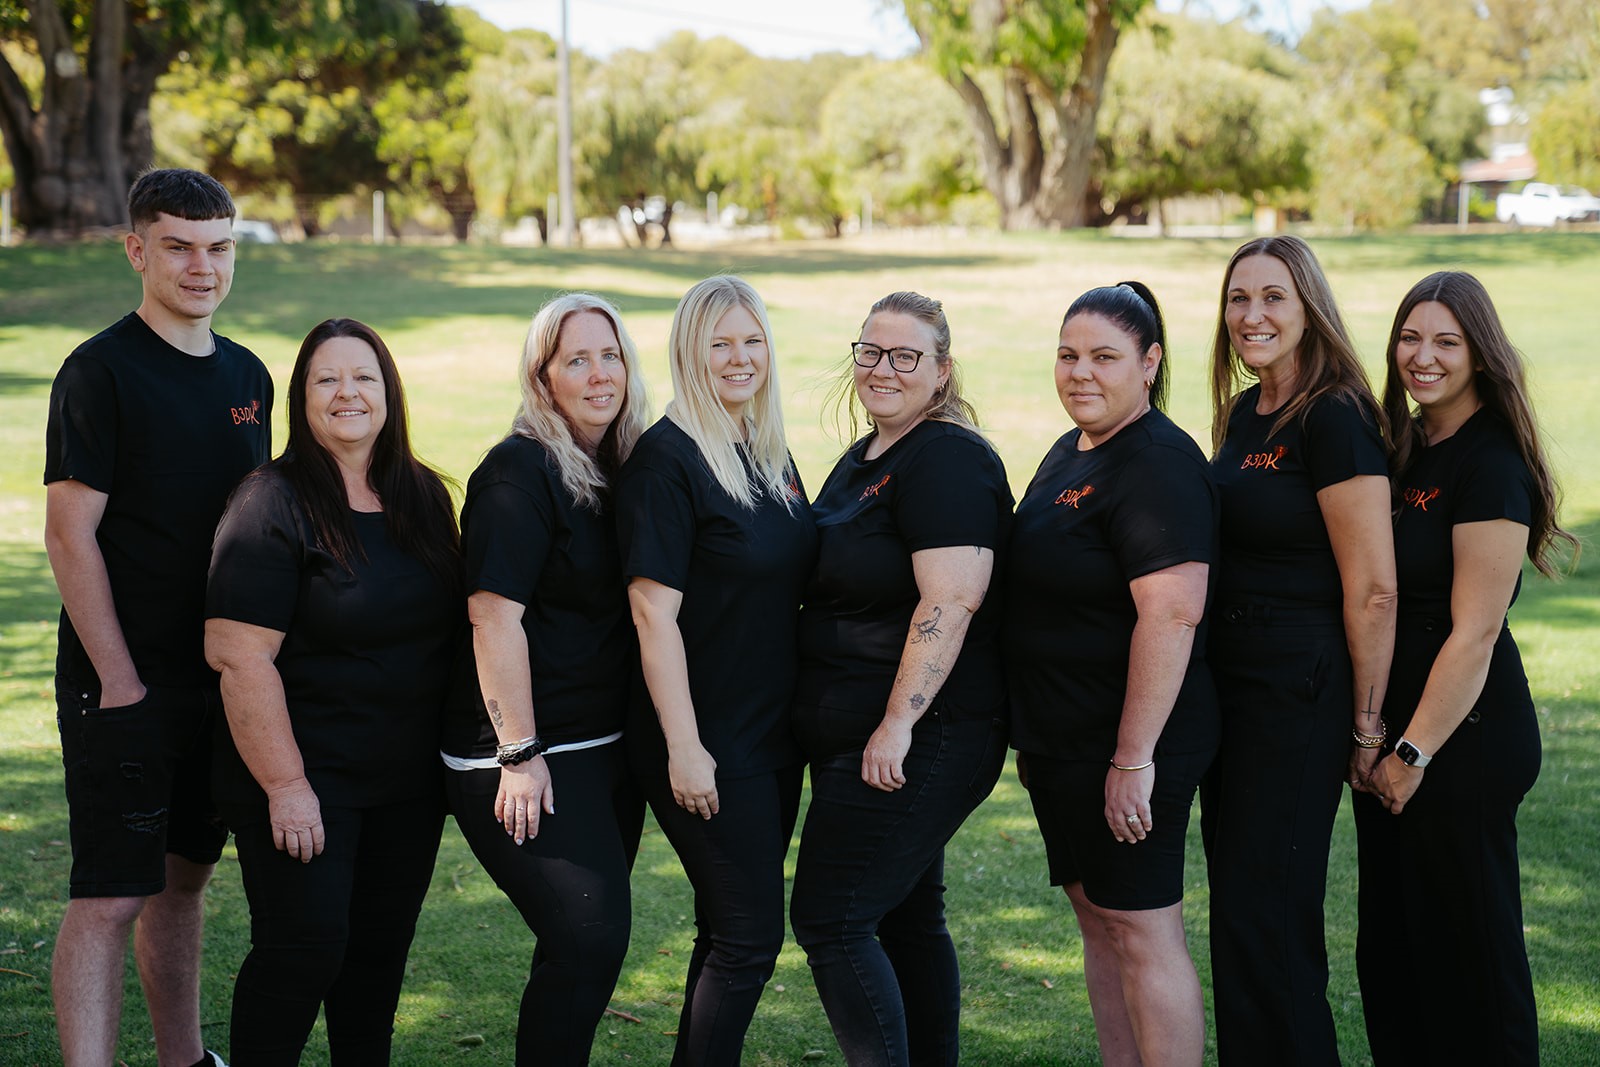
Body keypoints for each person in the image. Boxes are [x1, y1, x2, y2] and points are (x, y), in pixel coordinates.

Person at [43, 168, 271, 1067]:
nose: (201, 266)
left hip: (218, 683)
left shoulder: (249, 373)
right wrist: (120, 681)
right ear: (137, 250)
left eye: (218, 247)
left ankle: (186, 1060)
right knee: (109, 895)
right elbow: (69, 536)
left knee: (184, 882)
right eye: (178, 246)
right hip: (123, 683)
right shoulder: (98, 372)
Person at [204, 319, 460, 1065]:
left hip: (405, 786)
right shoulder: (270, 501)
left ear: (390, 393)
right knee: (304, 949)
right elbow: (238, 656)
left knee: (377, 963)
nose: (348, 393)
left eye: (364, 377)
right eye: (327, 379)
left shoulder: (423, 496)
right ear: (302, 397)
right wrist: (287, 787)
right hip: (303, 778)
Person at [1354, 271, 1573, 1065]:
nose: (1424, 356)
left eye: (1447, 341)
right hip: (1395, 736)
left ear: (1480, 353)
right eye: (1410, 337)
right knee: (1394, 956)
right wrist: (1371, 735)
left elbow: (1475, 630)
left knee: (1470, 962)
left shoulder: (1491, 462)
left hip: (1461, 738)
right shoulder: (1406, 446)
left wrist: (1412, 751)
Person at [788, 291, 1011, 1067]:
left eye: (906, 355)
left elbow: (951, 598)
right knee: (909, 919)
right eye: (870, 352)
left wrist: (898, 722)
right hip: (861, 729)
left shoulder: (948, 458)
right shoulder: (866, 457)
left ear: (941, 370)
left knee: (832, 918)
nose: (883, 369)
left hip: (922, 736)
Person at [1006, 282, 1217, 1066]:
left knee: (1140, 926)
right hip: (1064, 740)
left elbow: (1172, 615)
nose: (1080, 372)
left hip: (1130, 745)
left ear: (1150, 362)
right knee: (1099, 920)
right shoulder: (1073, 448)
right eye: (1068, 355)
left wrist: (1132, 760)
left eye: (1104, 356)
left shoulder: (1158, 463)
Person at [439, 293, 651, 1064]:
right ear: (542, 376)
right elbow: (492, 617)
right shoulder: (516, 472)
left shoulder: (622, 464)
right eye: (577, 359)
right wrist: (519, 752)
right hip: (519, 753)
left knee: (577, 946)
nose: (600, 374)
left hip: (603, 747)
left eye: (611, 355)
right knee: (589, 935)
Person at [1201, 235, 1397, 1064]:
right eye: (1238, 298)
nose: (1253, 315)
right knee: (1240, 914)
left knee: (1271, 919)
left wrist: (1366, 724)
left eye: (1273, 296)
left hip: (1299, 692)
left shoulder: (1336, 416)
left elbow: (1374, 587)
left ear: (1310, 307)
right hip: (1233, 690)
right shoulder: (1245, 412)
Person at [614, 275, 817, 1065]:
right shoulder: (666, 460)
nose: (740, 358)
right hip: (706, 740)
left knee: (726, 931)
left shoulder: (765, 450)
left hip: (771, 737)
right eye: (720, 343)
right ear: (688, 353)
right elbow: (652, 614)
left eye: (752, 340)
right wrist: (685, 747)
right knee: (749, 937)